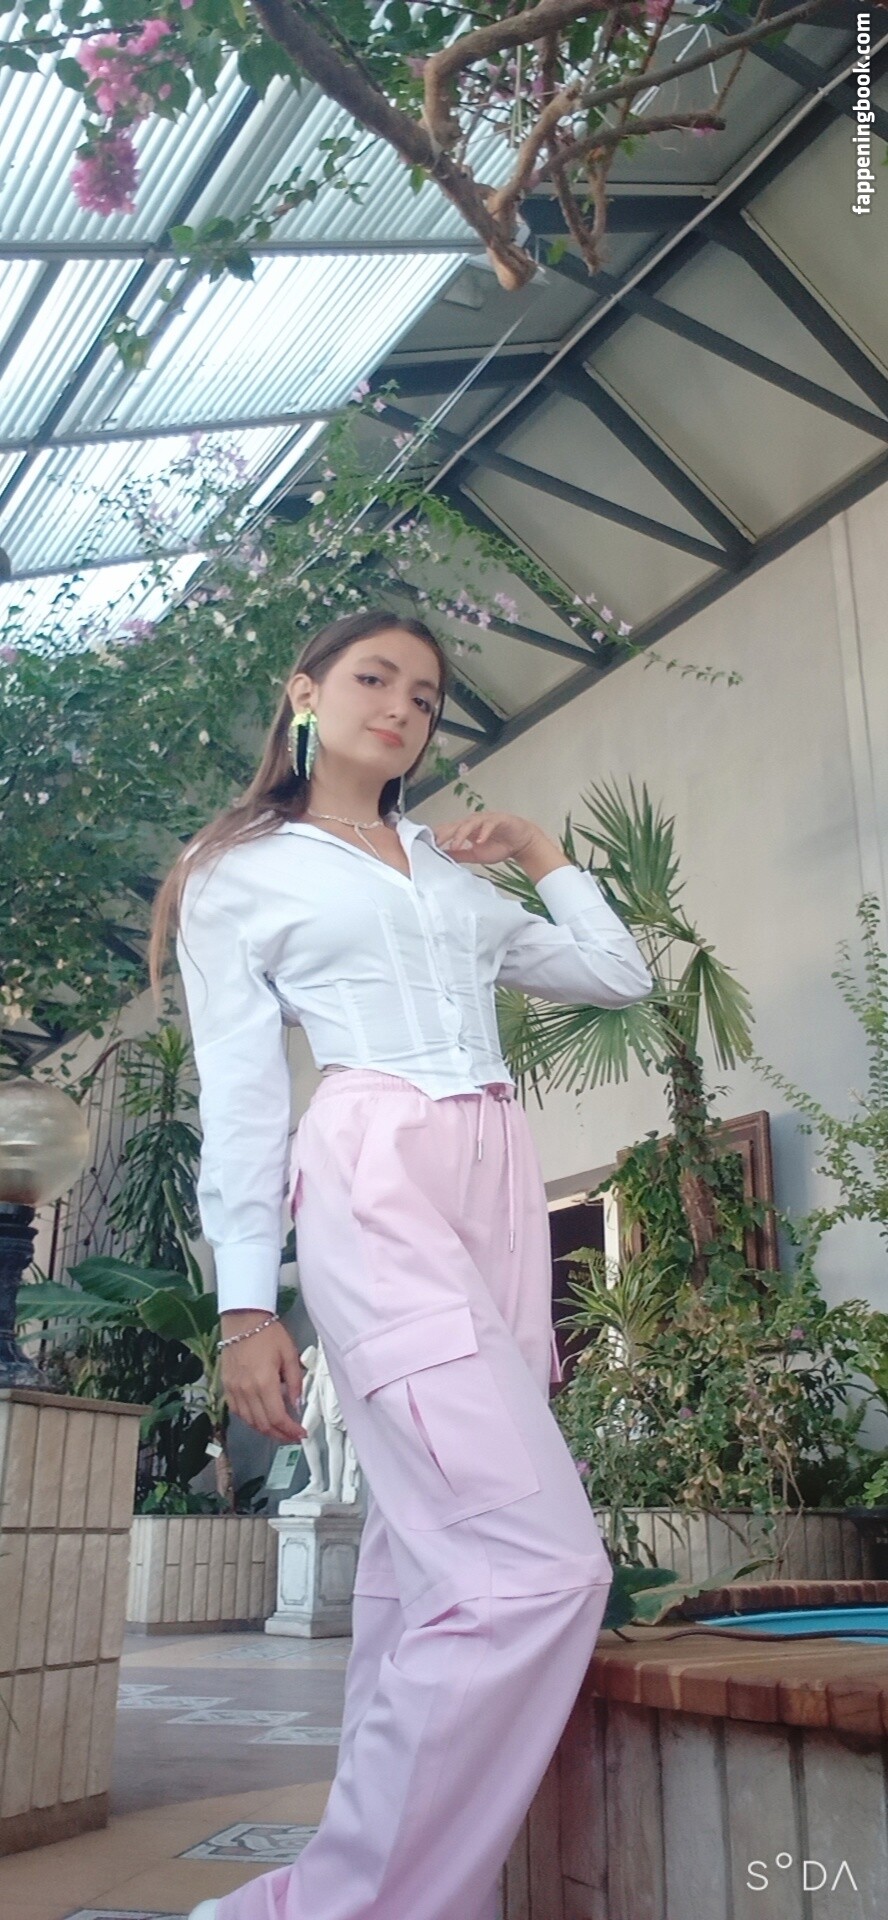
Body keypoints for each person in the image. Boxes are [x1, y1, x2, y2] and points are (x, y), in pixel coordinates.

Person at [149, 608, 654, 1920]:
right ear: (305, 693)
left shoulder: (448, 869)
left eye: (426, 697)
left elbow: (618, 975)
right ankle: (329, 1906)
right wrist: (246, 1305)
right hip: (373, 1166)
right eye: (374, 678)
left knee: (430, 1561)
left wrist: (539, 851)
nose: (402, 708)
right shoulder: (240, 872)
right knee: (536, 1567)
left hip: (498, 1180)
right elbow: (246, 1099)